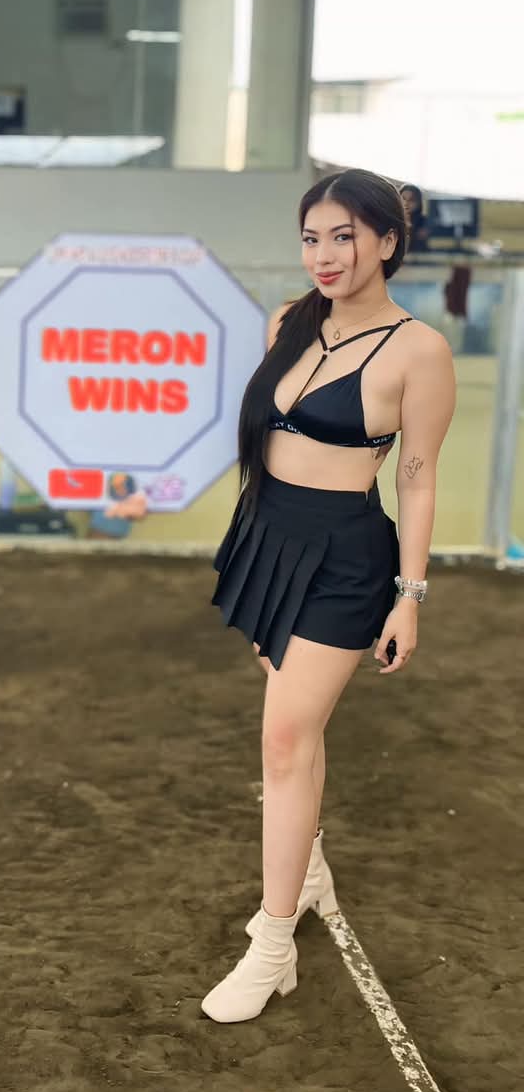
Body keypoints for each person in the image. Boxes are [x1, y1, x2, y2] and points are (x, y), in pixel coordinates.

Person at [202, 168, 455, 1024]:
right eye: (312, 237)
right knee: (298, 733)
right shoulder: (290, 320)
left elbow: (416, 479)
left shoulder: (418, 350)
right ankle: (306, 873)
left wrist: (409, 595)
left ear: (387, 241)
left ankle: (273, 946)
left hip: (345, 560)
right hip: (268, 537)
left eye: (344, 236)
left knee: (282, 739)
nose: (325, 254)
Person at [399, 183, 430, 254]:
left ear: (418, 202)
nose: (406, 203)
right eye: (403, 199)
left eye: (411, 200)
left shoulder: (425, 223)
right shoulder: (392, 220)